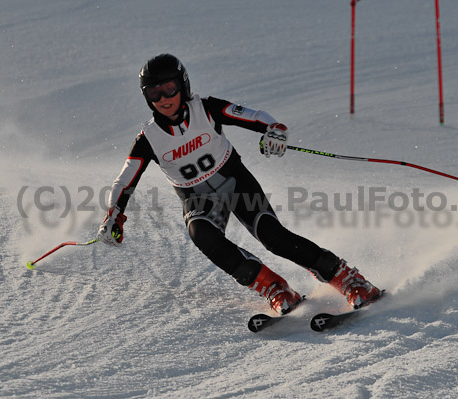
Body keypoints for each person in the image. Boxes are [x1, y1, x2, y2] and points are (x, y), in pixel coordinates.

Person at [98, 53, 381, 315]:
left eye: (169, 88)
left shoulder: (206, 109)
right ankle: (274, 287)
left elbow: (254, 115)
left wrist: (274, 130)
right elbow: (124, 180)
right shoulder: (148, 138)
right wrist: (114, 214)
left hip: (235, 182)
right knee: (203, 235)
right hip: (197, 198)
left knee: (272, 236)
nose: (163, 98)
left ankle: (348, 278)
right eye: (154, 92)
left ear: (182, 85)